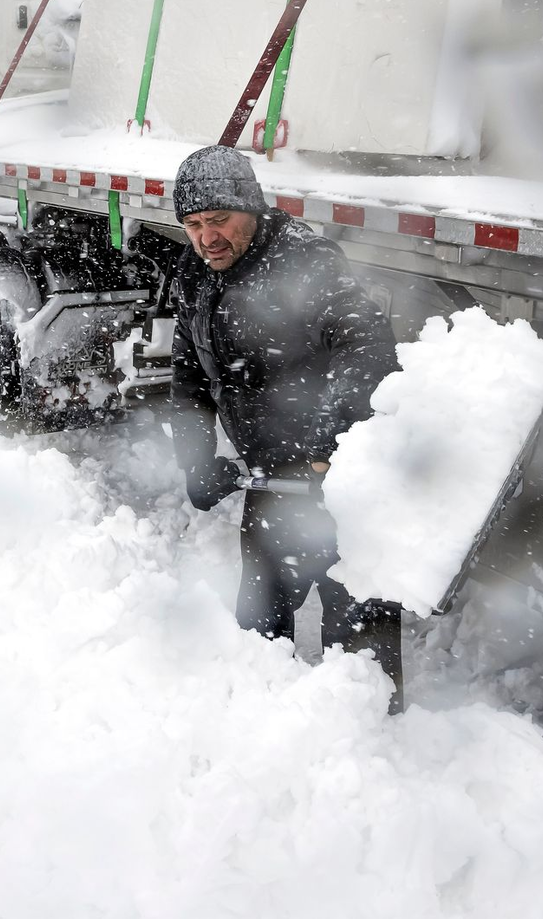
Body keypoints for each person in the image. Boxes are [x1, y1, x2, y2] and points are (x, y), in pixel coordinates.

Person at [169, 144, 404, 710]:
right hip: (272, 484)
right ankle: (263, 738)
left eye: (220, 220)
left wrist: (329, 447)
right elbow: (187, 373)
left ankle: (373, 753)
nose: (207, 238)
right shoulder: (195, 273)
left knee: (360, 645)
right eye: (195, 225)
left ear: (252, 208)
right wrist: (196, 461)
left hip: (342, 489)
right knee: (257, 634)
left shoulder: (305, 263)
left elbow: (367, 348)